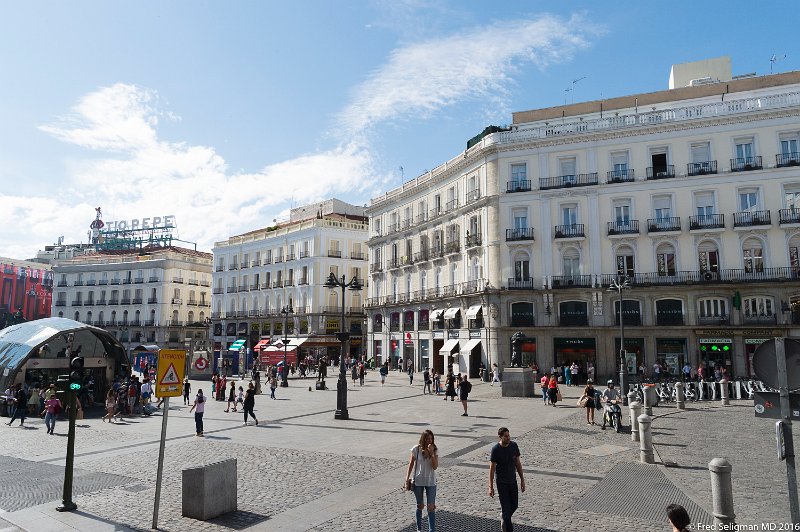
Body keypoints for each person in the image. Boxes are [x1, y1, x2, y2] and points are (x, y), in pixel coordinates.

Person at [488, 427, 525, 532]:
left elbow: (518, 464)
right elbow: (491, 469)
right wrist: (490, 487)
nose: (508, 438)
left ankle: (504, 516)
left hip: (513, 481)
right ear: (500, 437)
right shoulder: (495, 450)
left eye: (509, 435)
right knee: (506, 511)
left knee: (514, 505)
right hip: (502, 483)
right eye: (506, 436)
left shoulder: (514, 446)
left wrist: (522, 480)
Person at [405, 429, 439, 532]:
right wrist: (407, 478)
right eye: (427, 439)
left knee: (431, 507)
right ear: (423, 439)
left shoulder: (435, 450)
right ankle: (419, 528)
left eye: (431, 438)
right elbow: (411, 464)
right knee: (420, 505)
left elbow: (435, 467)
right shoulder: (416, 449)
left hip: (431, 481)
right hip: (418, 481)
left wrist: (432, 453)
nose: (429, 441)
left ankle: (431, 530)